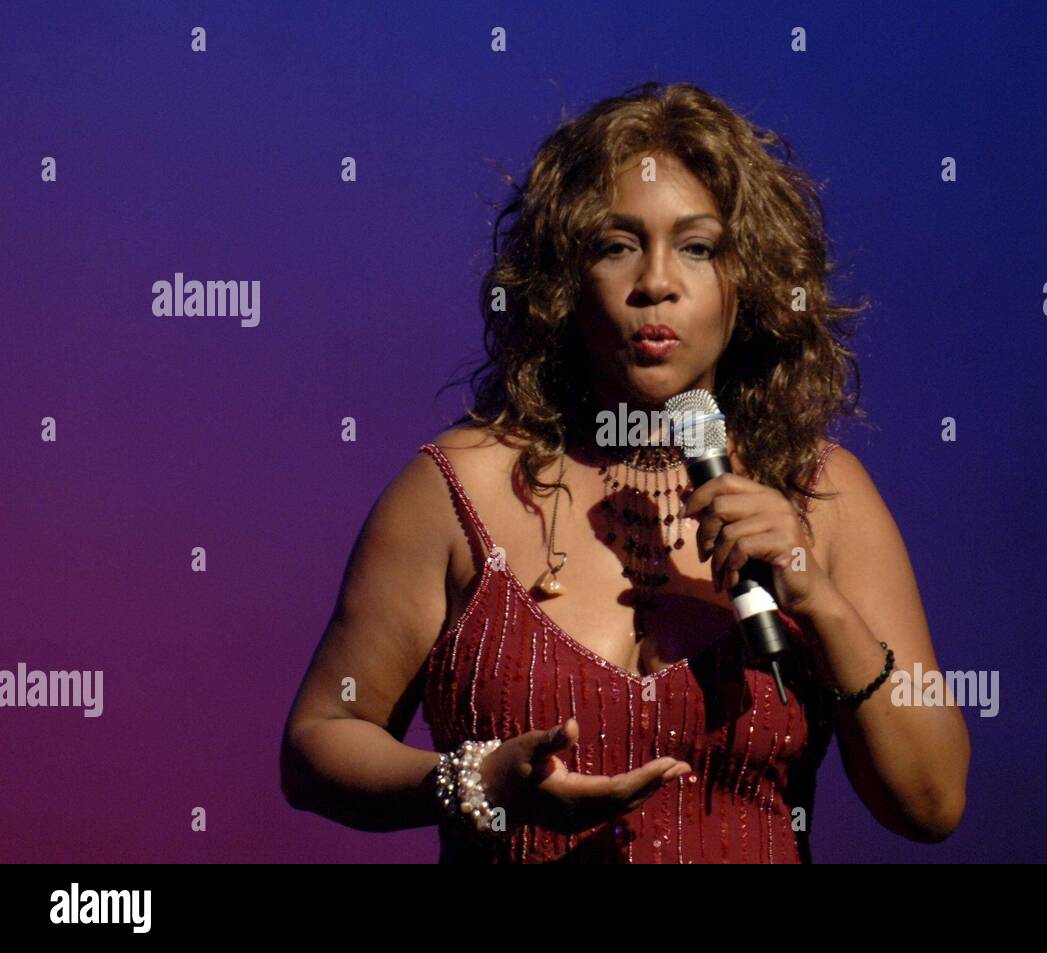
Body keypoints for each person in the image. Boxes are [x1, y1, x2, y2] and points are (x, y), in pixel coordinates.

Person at [280, 82, 969, 863]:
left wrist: (821, 600)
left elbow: (932, 801)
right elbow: (318, 740)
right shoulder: (455, 490)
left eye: (698, 247)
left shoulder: (824, 494)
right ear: (564, 280)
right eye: (616, 244)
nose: (656, 282)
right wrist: (476, 780)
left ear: (748, 281)